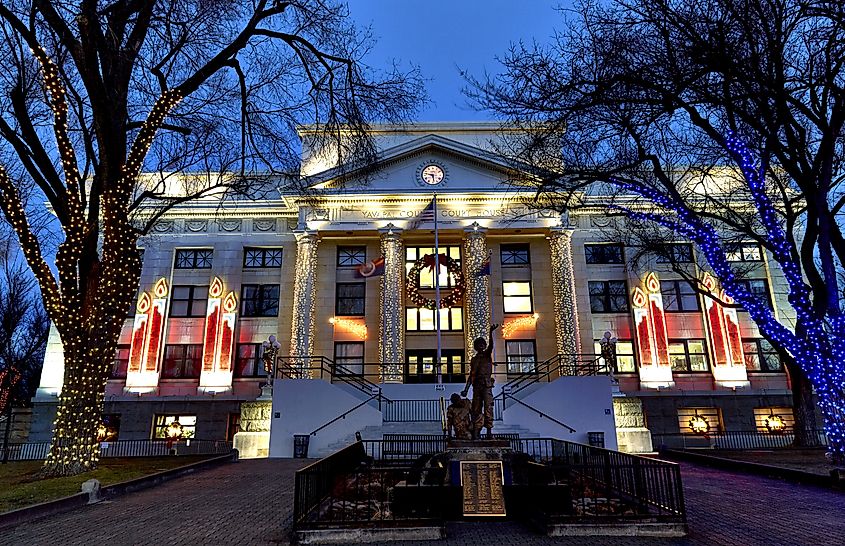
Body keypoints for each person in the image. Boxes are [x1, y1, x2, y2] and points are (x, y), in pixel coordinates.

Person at [462, 323, 499, 439]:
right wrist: (466, 389)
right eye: (478, 344)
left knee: (488, 408)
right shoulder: (474, 359)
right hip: (477, 386)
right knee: (476, 409)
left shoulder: (487, 355)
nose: (481, 346)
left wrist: (490, 332)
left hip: (486, 385)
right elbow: (471, 375)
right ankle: (476, 432)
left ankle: (489, 432)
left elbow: (491, 346)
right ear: (476, 346)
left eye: (482, 344)